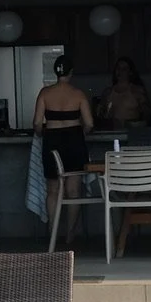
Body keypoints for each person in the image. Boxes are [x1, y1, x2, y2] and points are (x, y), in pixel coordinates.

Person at [32, 56, 93, 242]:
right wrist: (80, 133)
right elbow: (89, 123)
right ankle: (70, 234)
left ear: (55, 72)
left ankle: (53, 230)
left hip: (52, 141)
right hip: (74, 140)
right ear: (71, 72)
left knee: (53, 190)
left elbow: (37, 123)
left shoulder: (45, 93)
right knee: (73, 191)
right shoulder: (78, 94)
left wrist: (42, 134)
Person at [97, 55, 151, 129]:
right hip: (112, 131)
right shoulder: (108, 92)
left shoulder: (137, 91)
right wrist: (105, 113)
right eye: (118, 68)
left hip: (132, 131)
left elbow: (148, 114)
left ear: (130, 72)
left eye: (124, 69)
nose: (120, 71)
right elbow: (99, 114)